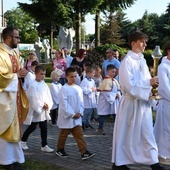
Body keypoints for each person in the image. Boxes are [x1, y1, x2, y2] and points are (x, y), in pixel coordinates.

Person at [111, 31, 165, 170]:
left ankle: (154, 162)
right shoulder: (126, 62)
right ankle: (119, 163)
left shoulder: (142, 60)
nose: (145, 45)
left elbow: (146, 80)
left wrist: (153, 89)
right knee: (125, 134)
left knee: (147, 132)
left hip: (143, 104)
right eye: (142, 42)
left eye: (145, 42)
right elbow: (128, 85)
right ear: (133, 43)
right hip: (130, 103)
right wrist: (149, 82)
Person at [0, 27, 29, 170]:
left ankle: (15, 158)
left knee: (16, 127)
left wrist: (22, 73)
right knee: (5, 127)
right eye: (17, 37)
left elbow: (18, 72)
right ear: (9, 38)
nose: (19, 40)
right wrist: (16, 75)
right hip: (4, 98)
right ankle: (5, 161)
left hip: (15, 95)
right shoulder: (0, 53)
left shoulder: (15, 52)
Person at [56, 67, 95, 160]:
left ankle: (84, 151)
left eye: (75, 76)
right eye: (71, 77)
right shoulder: (64, 89)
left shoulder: (78, 88)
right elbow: (64, 104)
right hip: (68, 117)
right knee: (63, 135)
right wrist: (72, 114)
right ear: (66, 77)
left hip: (77, 116)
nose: (74, 78)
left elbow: (81, 102)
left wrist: (80, 112)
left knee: (79, 135)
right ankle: (60, 149)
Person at [21, 65, 54, 153]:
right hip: (36, 110)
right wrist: (40, 106)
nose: (43, 76)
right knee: (32, 127)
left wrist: (47, 105)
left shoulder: (44, 84)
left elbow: (48, 96)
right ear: (35, 74)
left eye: (44, 74)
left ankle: (44, 145)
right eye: (41, 74)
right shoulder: (33, 85)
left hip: (43, 110)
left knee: (44, 127)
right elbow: (33, 98)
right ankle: (23, 141)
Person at [153, 41, 170, 163]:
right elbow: (164, 88)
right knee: (166, 130)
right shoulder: (163, 67)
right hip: (167, 103)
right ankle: (164, 154)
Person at [97, 64, 121, 135]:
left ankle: (117, 129)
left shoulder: (115, 81)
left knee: (115, 114)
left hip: (114, 101)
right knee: (103, 115)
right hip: (106, 101)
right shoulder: (106, 81)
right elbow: (104, 92)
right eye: (112, 72)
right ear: (108, 71)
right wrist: (113, 96)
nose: (113, 73)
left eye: (114, 72)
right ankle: (100, 128)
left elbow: (118, 90)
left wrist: (118, 95)